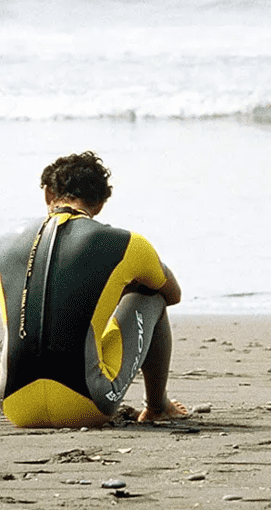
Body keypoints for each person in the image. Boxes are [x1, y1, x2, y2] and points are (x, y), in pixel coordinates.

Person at [0, 151, 188, 427]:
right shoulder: (127, 243)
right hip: (88, 403)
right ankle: (157, 406)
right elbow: (172, 294)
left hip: (16, 406)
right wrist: (117, 287)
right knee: (151, 297)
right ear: (99, 204)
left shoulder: (4, 242)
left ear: (48, 193)